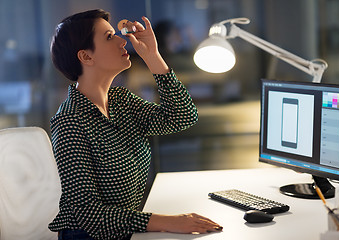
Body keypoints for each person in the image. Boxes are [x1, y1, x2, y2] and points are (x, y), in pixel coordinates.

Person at [48, 9, 222, 240]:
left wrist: (152, 56)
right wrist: (165, 222)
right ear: (86, 57)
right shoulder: (70, 122)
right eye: (109, 37)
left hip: (128, 230)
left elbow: (182, 116)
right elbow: (89, 215)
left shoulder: (120, 101)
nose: (123, 40)